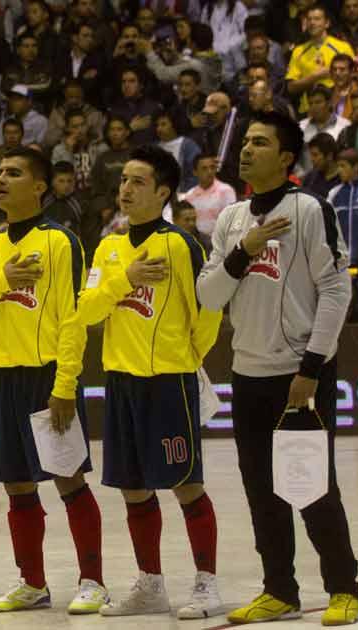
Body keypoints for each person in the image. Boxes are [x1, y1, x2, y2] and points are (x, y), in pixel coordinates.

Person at [197, 111, 358, 625]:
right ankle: (280, 591)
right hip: (247, 373)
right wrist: (243, 252)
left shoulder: (309, 209)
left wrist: (312, 366)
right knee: (261, 489)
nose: (246, 149)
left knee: (311, 484)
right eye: (244, 141)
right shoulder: (231, 219)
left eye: (260, 142)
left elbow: (337, 290)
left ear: (286, 157)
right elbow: (207, 295)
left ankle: (345, 590)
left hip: (301, 372)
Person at [0, 147, 108, 613]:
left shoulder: (60, 241)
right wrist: (1, 280)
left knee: (69, 481)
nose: (1, 179)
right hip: (3, 377)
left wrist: (64, 385)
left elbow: (71, 320)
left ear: (40, 186)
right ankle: (33, 583)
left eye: (14, 173)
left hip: (47, 378)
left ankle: (93, 581)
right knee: (17, 486)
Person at [77, 146, 224, 618]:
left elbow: (207, 314)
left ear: (162, 192)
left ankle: (206, 583)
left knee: (186, 484)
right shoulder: (108, 247)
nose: (125, 188)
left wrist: (184, 359)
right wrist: (126, 277)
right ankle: (151, 584)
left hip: (168, 381)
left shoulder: (180, 244)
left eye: (138, 181)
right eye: (123, 179)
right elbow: (87, 311)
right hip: (121, 381)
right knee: (134, 488)